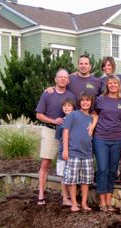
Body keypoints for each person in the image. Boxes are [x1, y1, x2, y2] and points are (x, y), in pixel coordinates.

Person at [35, 68, 76, 205]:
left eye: (65, 77)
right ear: (55, 79)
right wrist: (53, 121)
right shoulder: (48, 94)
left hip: (67, 134)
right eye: (60, 77)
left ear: (68, 80)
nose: (63, 79)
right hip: (50, 131)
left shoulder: (71, 95)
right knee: (45, 163)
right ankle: (41, 193)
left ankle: (65, 197)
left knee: (66, 165)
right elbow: (38, 114)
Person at [92, 75, 121, 212]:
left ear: (118, 85)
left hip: (117, 138)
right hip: (101, 138)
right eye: (110, 83)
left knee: (112, 171)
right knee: (103, 169)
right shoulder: (100, 99)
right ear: (107, 85)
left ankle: (109, 202)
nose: (112, 85)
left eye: (115, 83)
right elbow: (94, 115)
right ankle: (102, 201)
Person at [62, 93, 95, 212]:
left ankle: (84, 203)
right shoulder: (73, 115)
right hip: (74, 152)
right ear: (79, 102)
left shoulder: (91, 118)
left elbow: (96, 118)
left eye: (88, 100)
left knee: (86, 180)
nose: (85, 103)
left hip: (87, 153)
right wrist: (66, 150)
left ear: (91, 102)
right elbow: (65, 132)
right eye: (83, 101)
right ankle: (74, 204)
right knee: (72, 180)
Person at [55, 98, 76, 206]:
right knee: (64, 175)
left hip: (75, 151)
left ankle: (73, 198)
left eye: (69, 105)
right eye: (64, 106)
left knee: (72, 176)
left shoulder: (77, 119)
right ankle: (65, 198)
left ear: (73, 107)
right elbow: (58, 138)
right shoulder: (61, 122)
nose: (67, 108)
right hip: (63, 152)